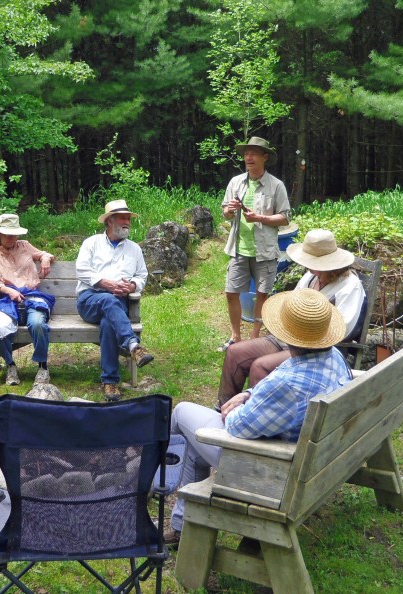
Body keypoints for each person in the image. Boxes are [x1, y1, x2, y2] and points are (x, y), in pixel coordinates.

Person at [165, 289, 352, 545]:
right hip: (312, 461)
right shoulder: (332, 357)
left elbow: (238, 427)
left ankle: (155, 477)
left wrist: (233, 409)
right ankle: (180, 524)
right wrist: (248, 393)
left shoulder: (288, 385)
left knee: (181, 412)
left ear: (288, 337)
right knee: (195, 448)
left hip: (268, 469)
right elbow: (282, 375)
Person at [217, 229, 365, 407]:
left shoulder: (350, 286)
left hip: (317, 350)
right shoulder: (311, 276)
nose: (307, 265)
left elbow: (344, 328)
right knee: (235, 352)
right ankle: (222, 410)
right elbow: (292, 303)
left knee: (261, 366)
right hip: (289, 339)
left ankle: (254, 418)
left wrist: (306, 335)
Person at [75, 200, 154, 402]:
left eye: (128, 218)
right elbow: (82, 271)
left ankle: (110, 382)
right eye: (122, 218)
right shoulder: (91, 243)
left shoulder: (134, 249)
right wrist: (107, 284)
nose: (127, 222)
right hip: (90, 300)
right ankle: (133, 346)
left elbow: (142, 275)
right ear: (110, 221)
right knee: (108, 301)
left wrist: (132, 286)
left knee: (108, 323)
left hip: (118, 304)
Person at [219, 137, 290, 351]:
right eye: (246, 153)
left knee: (262, 295)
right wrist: (230, 211)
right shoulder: (236, 182)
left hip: (265, 251)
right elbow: (225, 213)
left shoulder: (276, 185)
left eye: (253, 153)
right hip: (239, 248)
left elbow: (285, 218)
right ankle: (235, 336)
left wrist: (260, 218)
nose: (248, 157)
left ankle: (255, 339)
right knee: (231, 292)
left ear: (264, 157)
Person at [0, 214, 55, 386]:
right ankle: (10, 365)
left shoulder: (24, 246)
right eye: (7, 234)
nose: (12, 238)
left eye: (14, 234)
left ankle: (42, 366)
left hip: (32, 297)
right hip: (7, 300)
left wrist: (45, 258)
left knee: (37, 324)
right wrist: (8, 290)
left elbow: (45, 254)